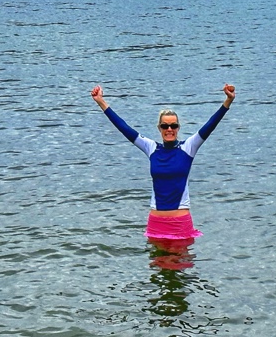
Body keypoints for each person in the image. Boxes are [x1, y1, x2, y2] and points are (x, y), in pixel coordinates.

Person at [90, 84, 236, 243]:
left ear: (178, 128)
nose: (169, 129)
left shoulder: (189, 147)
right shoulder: (151, 148)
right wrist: (101, 102)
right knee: (157, 267)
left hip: (180, 223)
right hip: (156, 223)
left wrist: (228, 100)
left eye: (173, 125)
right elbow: (124, 128)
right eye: (165, 125)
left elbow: (210, 125)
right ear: (159, 128)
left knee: (179, 266)